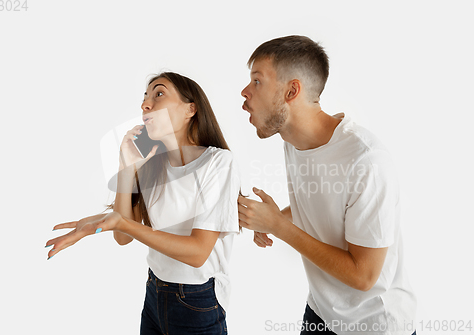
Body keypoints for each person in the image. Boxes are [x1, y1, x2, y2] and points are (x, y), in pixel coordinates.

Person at [237, 35, 417, 334]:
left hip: (374, 325)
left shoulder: (366, 161)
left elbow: (363, 276)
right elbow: (325, 202)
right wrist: (272, 219)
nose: (244, 93)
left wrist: (280, 228)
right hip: (321, 313)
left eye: (257, 81)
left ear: (291, 90)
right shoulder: (294, 141)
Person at [45, 72, 241, 334]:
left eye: (158, 94)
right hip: (154, 292)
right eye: (145, 98)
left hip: (196, 301)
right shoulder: (152, 164)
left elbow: (197, 253)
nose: (145, 104)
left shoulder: (218, 162)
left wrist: (122, 223)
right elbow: (123, 237)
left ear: (190, 109)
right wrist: (126, 169)